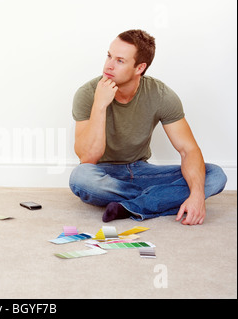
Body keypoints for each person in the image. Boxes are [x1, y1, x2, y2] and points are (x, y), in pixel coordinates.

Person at [69, 29, 227, 225]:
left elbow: (188, 150)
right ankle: (160, 199)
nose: (108, 66)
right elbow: (87, 158)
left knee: (215, 175)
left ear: (139, 68)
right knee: (80, 178)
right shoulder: (87, 94)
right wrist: (100, 105)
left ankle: (131, 206)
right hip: (104, 175)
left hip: (142, 171)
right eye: (109, 56)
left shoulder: (160, 94)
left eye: (120, 60)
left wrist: (196, 195)